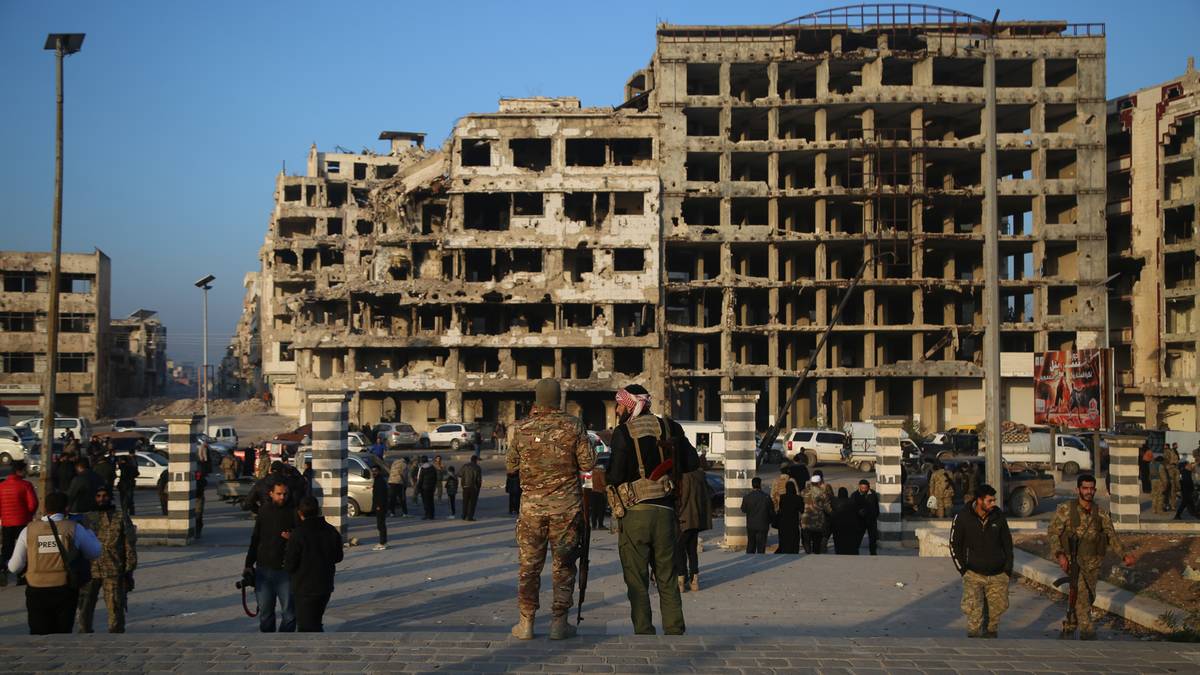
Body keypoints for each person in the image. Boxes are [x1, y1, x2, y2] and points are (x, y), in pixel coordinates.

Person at [607, 383, 699, 636]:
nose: (616, 410)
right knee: (667, 576)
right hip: (666, 512)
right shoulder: (670, 427)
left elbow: (614, 475)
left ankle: (644, 630)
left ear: (629, 405)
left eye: (619, 405)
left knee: (636, 579)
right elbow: (692, 462)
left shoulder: (624, 433)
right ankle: (674, 628)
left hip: (636, 513)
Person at [505, 378, 593, 640]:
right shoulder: (574, 425)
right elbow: (588, 463)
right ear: (559, 400)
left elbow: (511, 466)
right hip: (566, 509)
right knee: (563, 566)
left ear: (536, 399)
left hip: (532, 510)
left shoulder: (521, 428)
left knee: (529, 567)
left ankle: (526, 623)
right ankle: (559, 624)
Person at [1048, 474, 1136, 640]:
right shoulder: (1066, 510)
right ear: (1078, 489)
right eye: (1085, 488)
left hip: (1094, 563)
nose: (1089, 492)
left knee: (1089, 595)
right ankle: (1088, 632)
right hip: (1073, 561)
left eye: (1091, 488)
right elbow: (1053, 533)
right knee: (1082, 594)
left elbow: (1111, 536)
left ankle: (1071, 623)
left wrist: (1124, 554)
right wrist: (1060, 555)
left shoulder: (1100, 513)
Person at [7, 491, 101, 634]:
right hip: (64, 588)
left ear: (44, 508)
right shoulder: (73, 528)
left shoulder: (28, 530)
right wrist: (89, 531)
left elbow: (14, 567)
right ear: (67, 508)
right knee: (62, 633)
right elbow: (94, 552)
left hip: (36, 590)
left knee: (38, 633)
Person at [950, 484, 1013, 638]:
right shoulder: (963, 517)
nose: (993, 504)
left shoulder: (998, 516)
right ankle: (973, 645)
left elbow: (1007, 544)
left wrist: (1007, 569)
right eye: (989, 501)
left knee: (995, 614)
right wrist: (963, 570)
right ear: (979, 501)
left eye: (994, 501)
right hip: (973, 572)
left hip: (998, 573)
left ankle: (991, 642)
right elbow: (954, 545)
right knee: (974, 615)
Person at [76, 486, 137, 633]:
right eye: (98, 496)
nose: (102, 499)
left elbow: (129, 543)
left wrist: (129, 569)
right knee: (84, 606)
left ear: (110, 497)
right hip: (90, 570)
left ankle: (115, 635)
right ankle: (85, 634)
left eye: (105, 495)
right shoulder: (86, 519)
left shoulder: (120, 517)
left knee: (115, 606)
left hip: (114, 569)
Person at [244, 481, 297, 632]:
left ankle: (284, 643)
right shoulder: (264, 511)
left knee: (289, 613)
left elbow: (302, 537)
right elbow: (256, 538)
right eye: (279, 494)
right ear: (271, 494)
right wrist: (248, 564)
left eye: (285, 494)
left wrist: (293, 537)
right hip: (263, 569)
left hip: (285, 570)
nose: (282, 497)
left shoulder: (293, 511)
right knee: (265, 612)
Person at [284, 496, 344, 632]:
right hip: (325, 584)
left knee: (306, 626)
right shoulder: (330, 530)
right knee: (316, 620)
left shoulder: (298, 534)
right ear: (319, 510)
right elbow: (338, 557)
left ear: (300, 513)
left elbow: (290, 564)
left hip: (303, 586)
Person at [0, 461, 39, 587]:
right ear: (19, 471)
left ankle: (3, 571)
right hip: (23, 521)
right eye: (24, 470)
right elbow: (33, 504)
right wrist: (29, 514)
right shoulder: (26, 485)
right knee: (25, 548)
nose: (26, 472)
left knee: (7, 548)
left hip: (6, 522)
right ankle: (22, 576)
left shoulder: (2, 486)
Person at [674, 460, 711, 591]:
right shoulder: (701, 477)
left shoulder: (685, 477)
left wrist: (676, 512)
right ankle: (694, 580)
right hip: (697, 520)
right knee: (692, 550)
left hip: (685, 519)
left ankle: (681, 579)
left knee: (678, 549)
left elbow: (682, 500)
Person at [740, 476, 772, 554]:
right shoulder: (766, 497)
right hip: (763, 524)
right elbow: (771, 511)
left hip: (751, 524)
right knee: (761, 546)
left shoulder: (747, 497)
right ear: (760, 485)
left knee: (751, 544)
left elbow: (743, 509)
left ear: (752, 485)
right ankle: (760, 559)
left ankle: (749, 561)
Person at [801, 474, 832, 554]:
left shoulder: (804, 492)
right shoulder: (823, 494)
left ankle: (807, 554)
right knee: (817, 542)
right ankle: (815, 555)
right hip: (818, 522)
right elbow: (828, 508)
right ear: (819, 483)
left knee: (806, 541)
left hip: (805, 521)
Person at [831, 487, 864, 555]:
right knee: (850, 543)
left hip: (838, 527)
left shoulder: (834, 502)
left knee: (839, 543)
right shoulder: (852, 501)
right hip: (851, 527)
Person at [852, 479, 880, 555]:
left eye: (865, 488)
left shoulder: (873, 494)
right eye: (862, 488)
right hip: (860, 520)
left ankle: (873, 552)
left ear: (868, 487)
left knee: (873, 538)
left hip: (871, 520)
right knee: (858, 537)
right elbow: (852, 508)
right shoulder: (855, 495)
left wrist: (875, 515)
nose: (864, 489)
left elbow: (876, 506)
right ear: (859, 487)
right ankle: (855, 551)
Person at [774, 481, 802, 554]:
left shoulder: (782, 497)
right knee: (793, 539)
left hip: (783, 523)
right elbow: (802, 509)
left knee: (785, 539)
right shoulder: (798, 498)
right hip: (793, 523)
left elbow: (780, 508)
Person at [460, 455, 483, 521]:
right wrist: (478, 487)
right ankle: (470, 516)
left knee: (465, 502)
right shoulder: (477, 468)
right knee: (472, 503)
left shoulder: (465, 466)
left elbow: (459, 474)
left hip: (465, 486)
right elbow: (479, 479)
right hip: (474, 487)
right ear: (476, 460)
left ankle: (464, 515)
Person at [371, 465, 388, 550]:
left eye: (375, 471)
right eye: (373, 471)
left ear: (379, 471)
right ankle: (384, 542)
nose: (374, 472)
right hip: (380, 506)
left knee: (380, 525)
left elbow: (381, 495)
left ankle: (382, 543)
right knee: (381, 525)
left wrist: (378, 506)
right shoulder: (378, 480)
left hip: (380, 506)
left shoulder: (380, 481)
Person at [117, 449, 138, 516]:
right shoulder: (130, 466)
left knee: (124, 499)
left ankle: (125, 512)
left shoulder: (124, 466)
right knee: (129, 499)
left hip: (125, 484)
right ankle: (130, 512)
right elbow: (136, 473)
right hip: (129, 484)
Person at [1164, 443, 1182, 512]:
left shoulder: (1175, 452)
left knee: (1173, 489)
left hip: (1175, 469)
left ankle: (1173, 505)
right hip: (1171, 469)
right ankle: (1168, 505)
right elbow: (1166, 460)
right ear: (1173, 445)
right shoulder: (1169, 452)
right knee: (1170, 489)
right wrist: (1169, 465)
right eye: (1176, 445)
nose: (1177, 446)